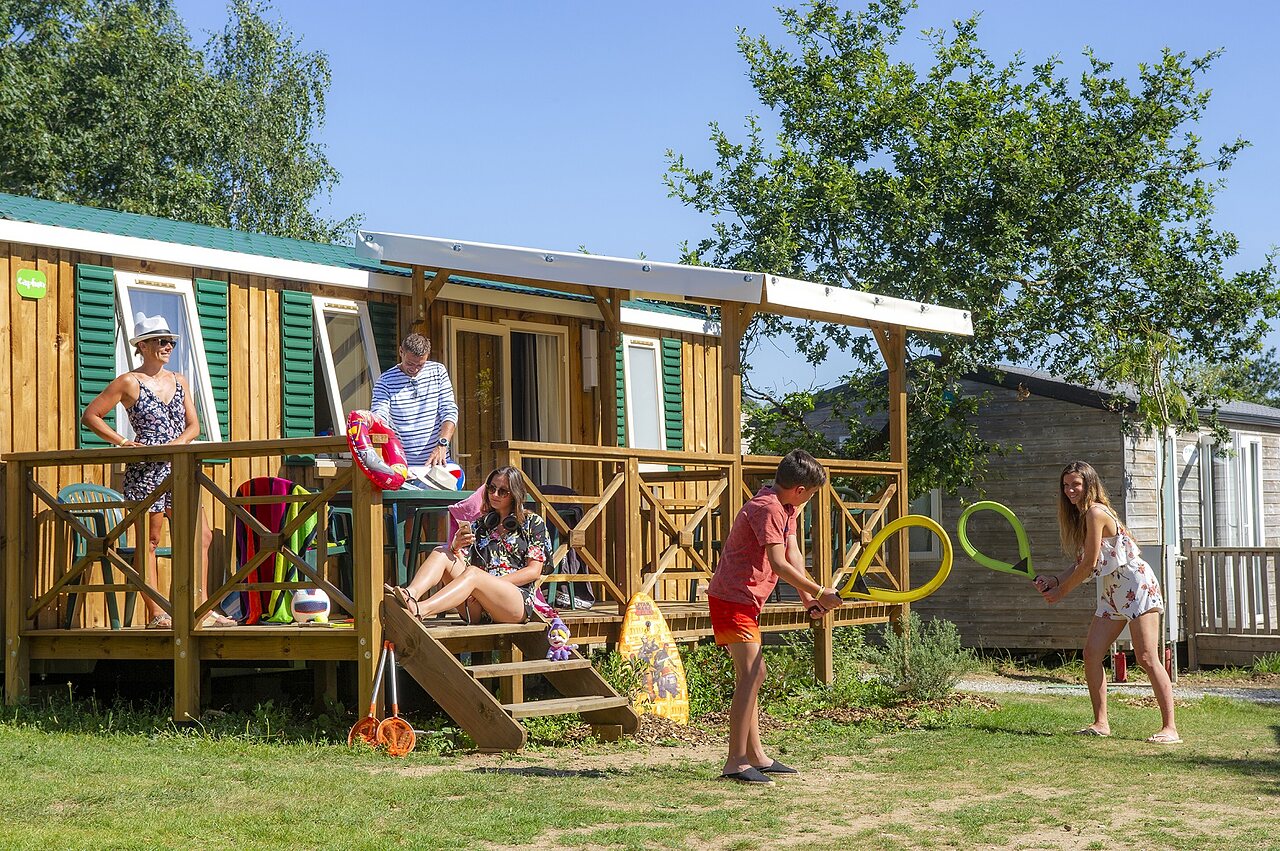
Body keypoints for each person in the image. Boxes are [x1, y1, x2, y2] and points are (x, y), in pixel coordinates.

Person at [81, 314, 235, 629]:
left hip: (180, 466)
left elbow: (194, 426)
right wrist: (123, 442)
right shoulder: (128, 382)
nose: (168, 346)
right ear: (143, 345)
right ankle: (156, 613)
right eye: (162, 341)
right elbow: (91, 415)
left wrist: (177, 446)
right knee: (149, 541)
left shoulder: (180, 380)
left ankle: (201, 609)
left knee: (201, 536)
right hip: (146, 469)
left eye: (171, 342)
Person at [707, 449, 844, 784]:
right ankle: (735, 762)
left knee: (751, 675)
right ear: (800, 489)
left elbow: (792, 553)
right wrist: (821, 591)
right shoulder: (767, 508)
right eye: (812, 493)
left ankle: (756, 757)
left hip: (747, 601)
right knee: (754, 673)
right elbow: (779, 564)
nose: (810, 499)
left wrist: (808, 599)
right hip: (732, 599)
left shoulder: (786, 508)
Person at [1034, 461, 1181, 744]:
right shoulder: (1084, 516)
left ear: (1089, 484)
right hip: (1113, 589)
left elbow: (1089, 565)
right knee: (1092, 653)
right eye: (1065, 485)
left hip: (1136, 585)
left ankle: (1170, 728)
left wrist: (1061, 592)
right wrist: (1055, 579)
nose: (1069, 490)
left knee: (1147, 657)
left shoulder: (1095, 512)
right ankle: (1101, 723)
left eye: (1076, 484)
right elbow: (1082, 561)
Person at [387, 466, 551, 624]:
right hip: (477, 605)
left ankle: (421, 609)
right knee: (441, 552)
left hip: (515, 603)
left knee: (474, 574)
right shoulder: (481, 525)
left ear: (515, 494)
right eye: (491, 488)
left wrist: (487, 583)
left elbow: (533, 571)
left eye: (502, 491)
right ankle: (410, 594)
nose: (494, 494)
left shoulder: (532, 522)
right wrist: (456, 547)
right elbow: (463, 567)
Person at [370, 333, 458, 469]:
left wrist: (442, 444)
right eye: (410, 363)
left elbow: (449, 410)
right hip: (402, 466)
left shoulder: (438, 372)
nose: (414, 369)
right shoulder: (384, 381)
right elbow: (379, 418)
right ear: (401, 352)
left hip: (437, 463)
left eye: (420, 365)